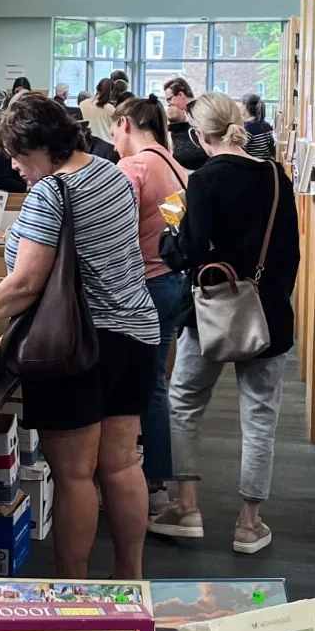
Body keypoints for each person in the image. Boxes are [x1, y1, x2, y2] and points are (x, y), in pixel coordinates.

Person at [0, 94, 159, 578]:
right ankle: (131, 578)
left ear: (41, 147)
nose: (18, 168)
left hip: (75, 347)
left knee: (75, 476)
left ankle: (73, 589)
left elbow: (26, 283)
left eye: (20, 157)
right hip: (135, 334)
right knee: (123, 466)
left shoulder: (51, 192)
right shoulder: (112, 170)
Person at [147, 92, 300, 555]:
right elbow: (290, 251)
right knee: (260, 416)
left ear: (198, 135)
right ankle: (249, 522)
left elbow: (187, 252)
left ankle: (186, 506)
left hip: (209, 311)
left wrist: (169, 239)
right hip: (267, 314)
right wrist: (267, 292)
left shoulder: (204, 181)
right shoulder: (276, 175)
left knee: (185, 403)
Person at [111, 94, 188, 515]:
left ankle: (148, 478)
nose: (114, 142)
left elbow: (113, 230)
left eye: (113, 131)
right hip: (170, 281)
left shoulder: (134, 167)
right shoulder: (175, 166)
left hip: (142, 285)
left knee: (143, 386)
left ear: (125, 123)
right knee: (156, 379)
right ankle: (158, 474)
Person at [163, 77, 207, 172]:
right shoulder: (187, 115)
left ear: (180, 94)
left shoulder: (202, 113)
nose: (168, 104)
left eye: (169, 99)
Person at [79, 78, 118, 143]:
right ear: (111, 92)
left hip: (88, 145)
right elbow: (116, 131)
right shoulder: (110, 109)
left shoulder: (82, 104)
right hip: (108, 146)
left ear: (97, 88)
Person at [241, 93, 278, 159]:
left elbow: (240, 151)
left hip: (253, 166)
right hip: (266, 165)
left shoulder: (248, 128)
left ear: (245, 106)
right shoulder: (266, 125)